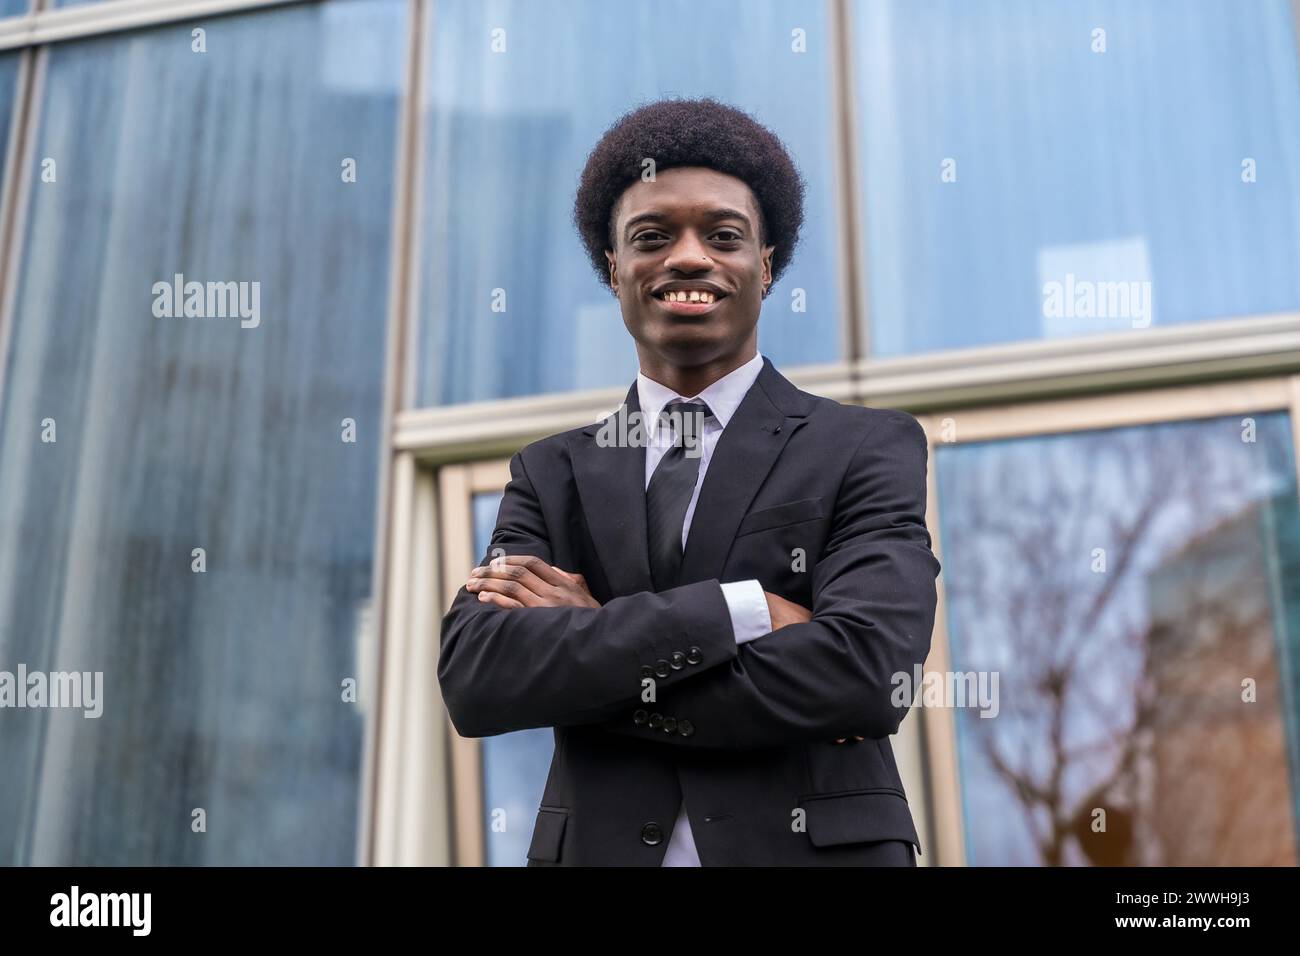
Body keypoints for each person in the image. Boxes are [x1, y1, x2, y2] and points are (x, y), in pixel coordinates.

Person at [438, 97, 941, 866]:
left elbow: (869, 675)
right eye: (652, 237)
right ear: (614, 270)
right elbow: (480, 677)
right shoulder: (551, 473)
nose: (688, 257)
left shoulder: (864, 448)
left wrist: (598, 641)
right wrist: (739, 609)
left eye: (723, 235)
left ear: (765, 266)